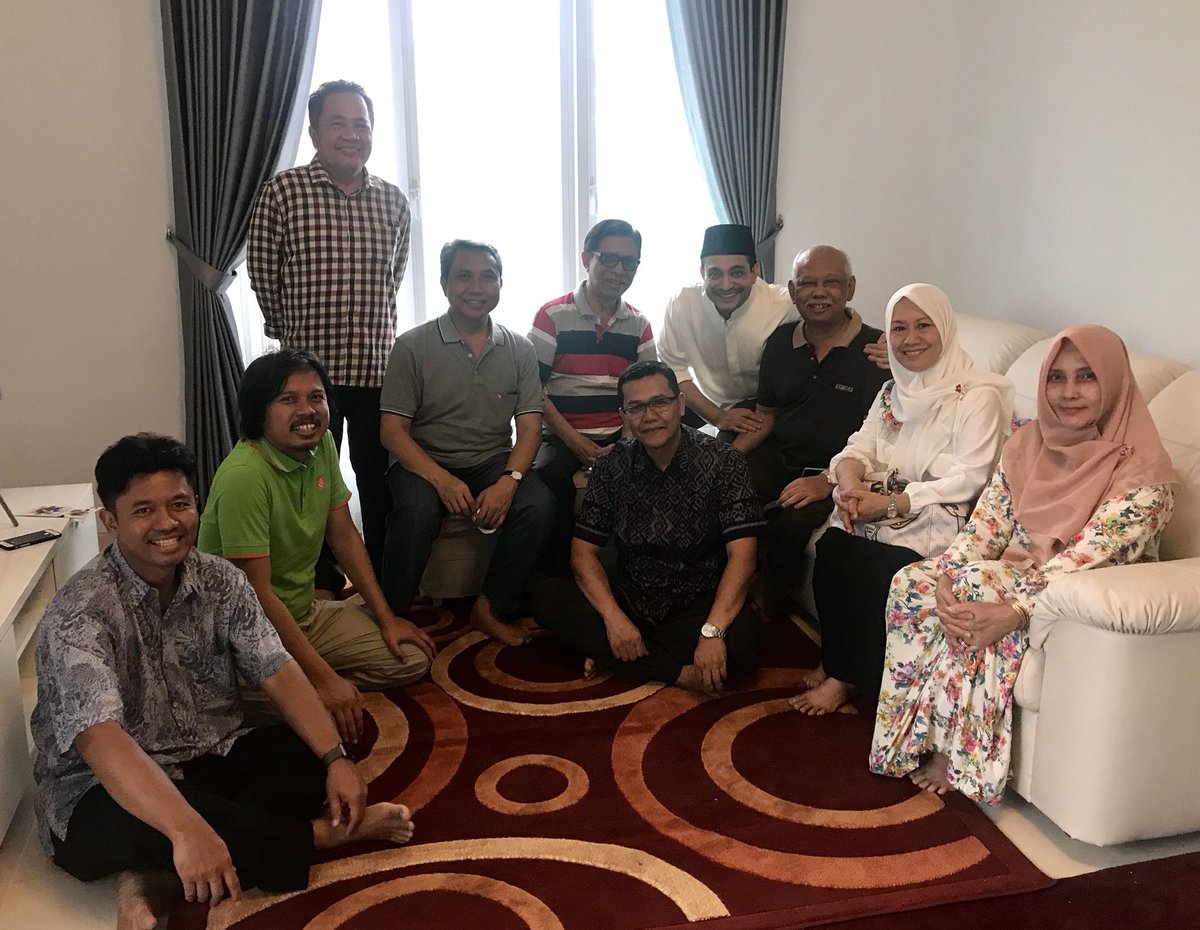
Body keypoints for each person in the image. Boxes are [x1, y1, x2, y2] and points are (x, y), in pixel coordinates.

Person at [33, 434, 416, 930]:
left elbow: (277, 670)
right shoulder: (80, 611)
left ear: (197, 504)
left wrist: (336, 759)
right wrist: (187, 828)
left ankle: (147, 882)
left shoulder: (220, 580)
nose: (167, 523)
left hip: (206, 756)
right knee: (134, 819)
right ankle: (318, 837)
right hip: (103, 785)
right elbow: (100, 740)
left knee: (308, 751)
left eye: (179, 504)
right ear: (111, 521)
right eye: (144, 510)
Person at [869, 325, 1176, 803]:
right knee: (914, 581)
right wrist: (946, 575)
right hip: (1012, 572)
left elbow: (1087, 558)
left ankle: (960, 759)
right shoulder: (1028, 443)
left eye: (1087, 377)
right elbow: (988, 524)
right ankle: (905, 741)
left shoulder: (1144, 476)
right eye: (1056, 377)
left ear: (1114, 383)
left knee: (979, 587)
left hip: (1079, 596)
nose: (1069, 392)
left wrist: (1014, 610)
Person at [791, 283, 1014, 715]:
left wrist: (893, 504)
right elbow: (859, 445)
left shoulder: (978, 396)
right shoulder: (892, 391)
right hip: (885, 506)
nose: (910, 339)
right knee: (833, 546)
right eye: (899, 328)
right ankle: (839, 660)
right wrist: (850, 484)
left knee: (880, 567)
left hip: (944, 517)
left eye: (923, 326)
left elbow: (970, 478)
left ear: (945, 328)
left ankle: (849, 676)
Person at [198, 350, 434, 747]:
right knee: (314, 711)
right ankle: (271, 689)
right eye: (288, 399)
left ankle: (297, 683)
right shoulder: (244, 476)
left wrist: (387, 617)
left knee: (412, 660)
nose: (307, 410)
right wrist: (324, 680)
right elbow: (258, 596)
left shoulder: (321, 443)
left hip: (304, 613)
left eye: (316, 397)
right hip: (246, 636)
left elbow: (344, 536)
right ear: (259, 410)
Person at [247, 79, 409, 574]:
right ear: (315, 131)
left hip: (375, 371)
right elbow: (263, 273)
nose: (351, 134)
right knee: (308, 479)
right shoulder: (283, 191)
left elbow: (393, 277)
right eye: (337, 123)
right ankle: (316, 577)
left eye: (361, 124)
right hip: (308, 378)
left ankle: (381, 575)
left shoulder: (393, 201)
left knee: (377, 479)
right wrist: (288, 334)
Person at [533, 361, 766, 694]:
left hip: (700, 601)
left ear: (680, 405)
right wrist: (615, 620)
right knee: (546, 598)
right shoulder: (611, 465)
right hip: (634, 597)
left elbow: (743, 557)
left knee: (742, 644)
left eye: (660, 402)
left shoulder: (725, 461)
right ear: (624, 416)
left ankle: (622, 656)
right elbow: (582, 554)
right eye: (636, 407)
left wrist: (712, 632)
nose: (650, 416)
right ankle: (677, 672)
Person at [380, 240, 555, 646]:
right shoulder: (412, 345)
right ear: (444, 283)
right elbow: (392, 431)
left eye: (487, 277)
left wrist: (509, 481)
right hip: (424, 459)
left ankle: (490, 607)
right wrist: (441, 480)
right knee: (417, 510)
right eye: (463, 276)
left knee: (539, 503)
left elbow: (530, 428)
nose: (476, 287)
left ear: (500, 284)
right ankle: (392, 615)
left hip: (490, 458)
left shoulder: (520, 349)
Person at [735, 246, 891, 616]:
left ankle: (769, 594)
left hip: (838, 469)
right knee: (731, 488)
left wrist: (827, 480)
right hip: (781, 453)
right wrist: (723, 458)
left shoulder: (878, 350)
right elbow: (766, 416)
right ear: (793, 291)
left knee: (793, 522)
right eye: (807, 284)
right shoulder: (779, 342)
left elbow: (881, 441)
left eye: (831, 282)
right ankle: (726, 577)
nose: (819, 292)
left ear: (850, 288)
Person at [528, 219, 656, 574]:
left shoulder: (639, 324)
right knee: (548, 479)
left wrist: (625, 442)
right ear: (587, 259)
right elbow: (532, 390)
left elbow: (645, 394)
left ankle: (632, 575)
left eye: (629, 262)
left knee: (653, 475)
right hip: (562, 434)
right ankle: (557, 578)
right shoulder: (552, 316)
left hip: (620, 434)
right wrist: (575, 441)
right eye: (609, 258)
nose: (619, 270)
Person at [658, 224, 797, 436]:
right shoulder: (682, 305)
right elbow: (673, 368)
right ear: (702, 273)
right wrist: (718, 417)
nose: (726, 285)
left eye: (737, 273)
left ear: (754, 271)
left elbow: (837, 316)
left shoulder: (783, 304)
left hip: (770, 407)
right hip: (710, 406)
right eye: (715, 274)